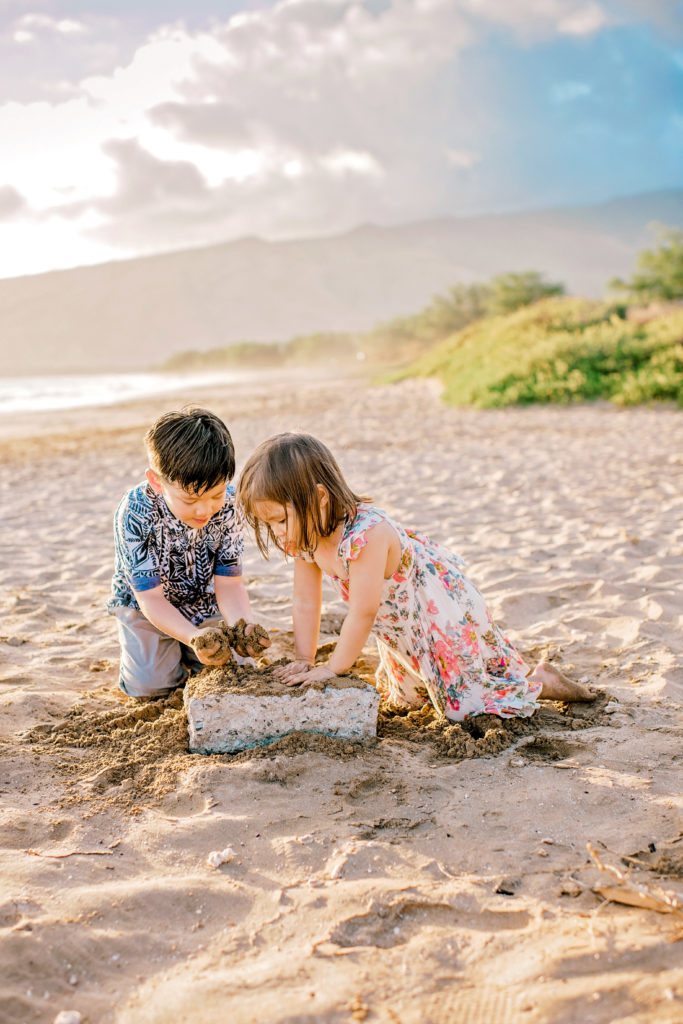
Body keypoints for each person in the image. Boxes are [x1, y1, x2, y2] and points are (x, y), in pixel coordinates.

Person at [238, 432, 592, 721]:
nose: (278, 533)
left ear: (318, 499)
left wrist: (333, 667)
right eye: (268, 523)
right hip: (400, 627)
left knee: (462, 709)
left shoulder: (367, 535)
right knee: (410, 701)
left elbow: (362, 611)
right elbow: (304, 601)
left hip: (438, 613)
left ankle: (540, 682)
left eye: (281, 520)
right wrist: (304, 658)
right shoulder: (307, 539)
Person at [108, 407, 267, 699]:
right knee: (150, 688)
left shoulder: (231, 505)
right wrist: (194, 638)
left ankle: (189, 650)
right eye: (190, 499)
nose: (205, 510)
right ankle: (169, 652)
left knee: (239, 669)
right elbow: (150, 597)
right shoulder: (134, 513)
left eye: (216, 495)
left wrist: (241, 627)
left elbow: (230, 585)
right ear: (157, 482)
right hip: (147, 606)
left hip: (205, 600)